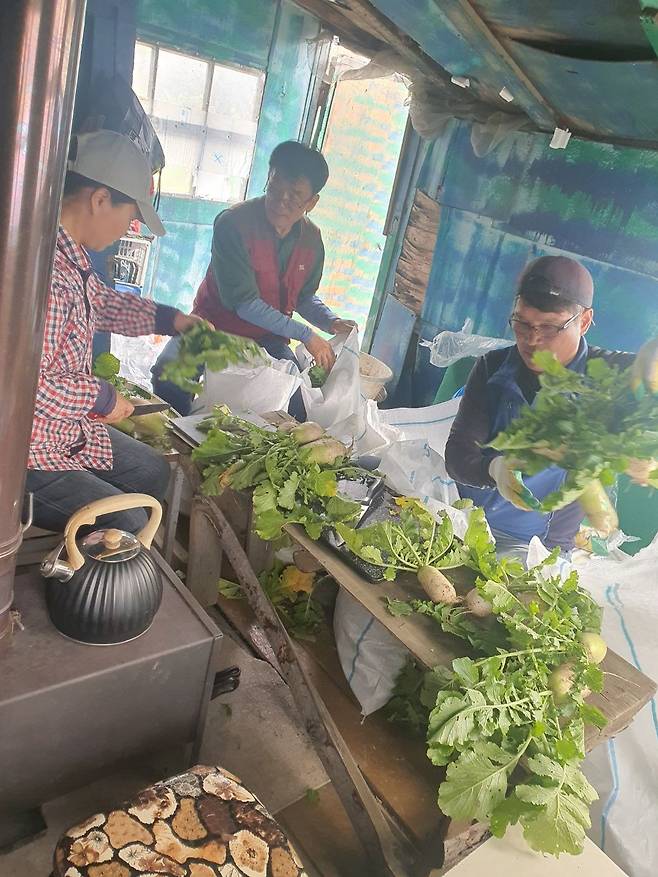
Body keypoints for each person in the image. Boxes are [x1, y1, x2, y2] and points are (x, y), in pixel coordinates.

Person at [25, 130, 206, 534]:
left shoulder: (70, 254)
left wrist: (171, 320)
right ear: (100, 199)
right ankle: (82, 568)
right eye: (130, 216)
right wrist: (102, 397)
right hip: (27, 452)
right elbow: (30, 387)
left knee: (151, 472)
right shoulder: (46, 273)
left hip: (64, 431)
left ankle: (84, 550)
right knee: (127, 521)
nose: (130, 228)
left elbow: (101, 304)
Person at [445, 255, 657, 553]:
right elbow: (458, 454)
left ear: (584, 321)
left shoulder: (611, 377)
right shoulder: (492, 367)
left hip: (537, 547)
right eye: (522, 324)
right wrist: (494, 469)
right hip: (462, 519)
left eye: (550, 327)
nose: (532, 340)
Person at [152, 140, 357, 417]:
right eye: (275, 188)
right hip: (213, 327)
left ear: (312, 202)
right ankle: (176, 434)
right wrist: (307, 334)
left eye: (295, 195)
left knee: (297, 401)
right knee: (169, 375)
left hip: (268, 339)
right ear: (268, 178)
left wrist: (330, 321)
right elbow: (244, 304)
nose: (281, 201)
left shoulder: (312, 240)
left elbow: (303, 297)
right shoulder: (233, 223)